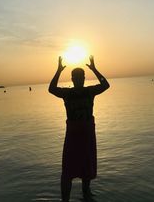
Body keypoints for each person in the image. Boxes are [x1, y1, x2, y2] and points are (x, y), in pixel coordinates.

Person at [48, 56, 110, 202]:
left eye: (80, 76)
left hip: (87, 136)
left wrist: (94, 69)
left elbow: (106, 85)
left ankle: (86, 196)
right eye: (75, 77)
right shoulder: (67, 93)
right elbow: (51, 89)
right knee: (67, 172)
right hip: (73, 137)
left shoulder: (90, 91)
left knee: (86, 173)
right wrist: (58, 71)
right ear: (72, 78)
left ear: (84, 78)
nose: (78, 79)